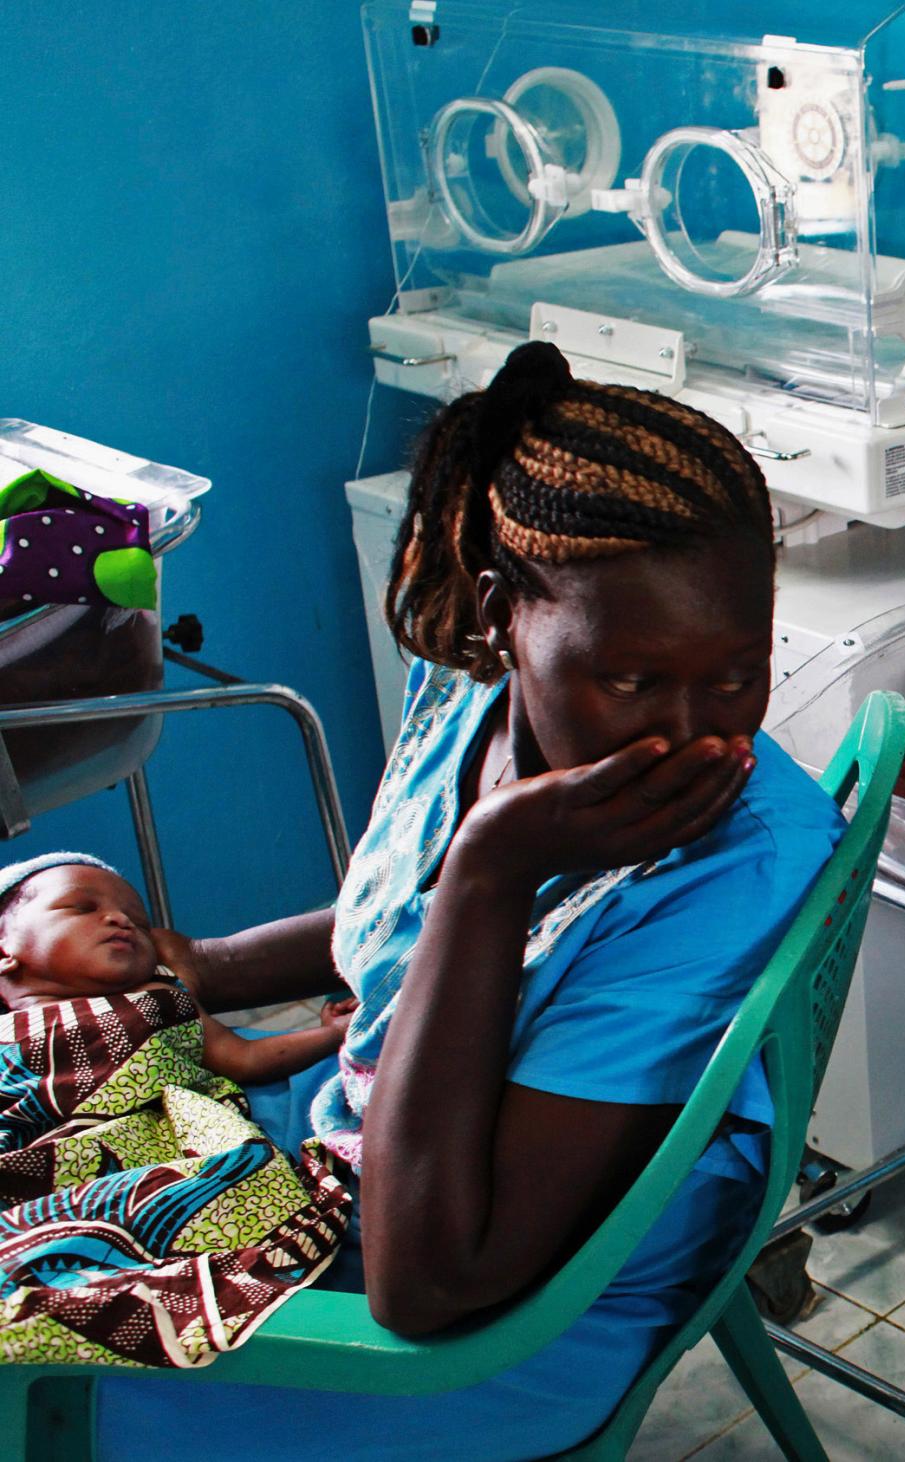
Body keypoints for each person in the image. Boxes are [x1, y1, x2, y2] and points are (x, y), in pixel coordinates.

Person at [95, 341, 843, 1459]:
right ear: (502, 619)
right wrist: (205, 964)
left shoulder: (724, 860)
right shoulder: (465, 687)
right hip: (354, 1161)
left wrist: (492, 870)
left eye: (737, 672)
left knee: (42, 1370)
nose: (694, 735)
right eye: (632, 679)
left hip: (487, 1328)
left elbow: (430, 1287)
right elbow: (397, 924)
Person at [0, 851, 351, 1083]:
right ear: (5, 955)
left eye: (139, 922)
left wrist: (332, 1034)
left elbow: (245, 1057)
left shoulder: (160, 1000)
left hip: (168, 1179)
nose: (121, 919)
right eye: (81, 908)